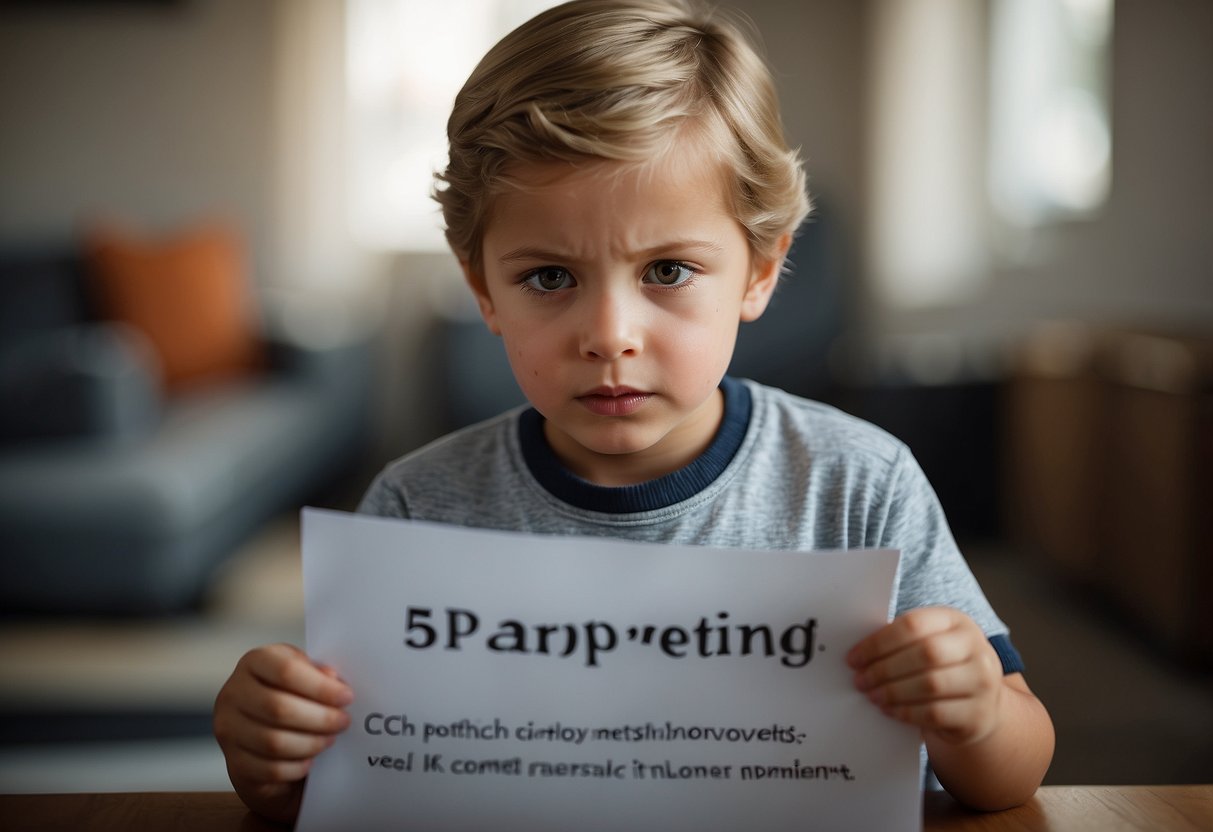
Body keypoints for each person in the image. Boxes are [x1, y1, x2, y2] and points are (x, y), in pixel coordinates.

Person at [213, 0, 1055, 823]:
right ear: (483, 290)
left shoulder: (855, 484)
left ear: (759, 271)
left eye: (667, 272)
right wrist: (271, 754)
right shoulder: (417, 505)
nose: (610, 336)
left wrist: (976, 713)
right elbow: (336, 785)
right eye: (549, 277)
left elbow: (1009, 778)